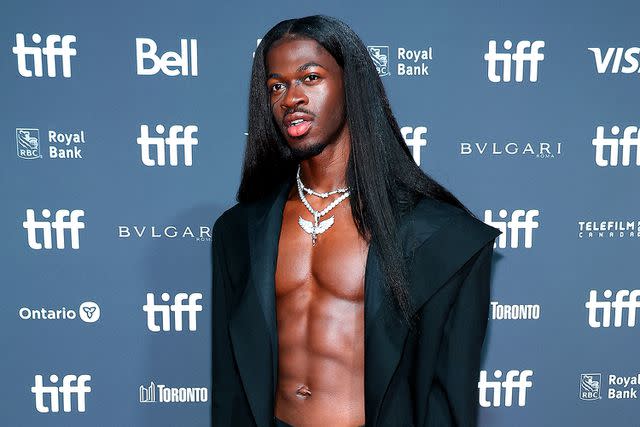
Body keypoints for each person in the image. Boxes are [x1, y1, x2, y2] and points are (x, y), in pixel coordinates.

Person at [211, 15, 501, 427]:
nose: (290, 96)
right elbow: (230, 384)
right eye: (276, 85)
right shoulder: (238, 231)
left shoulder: (437, 236)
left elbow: (447, 394)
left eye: (310, 77)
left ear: (352, 84)